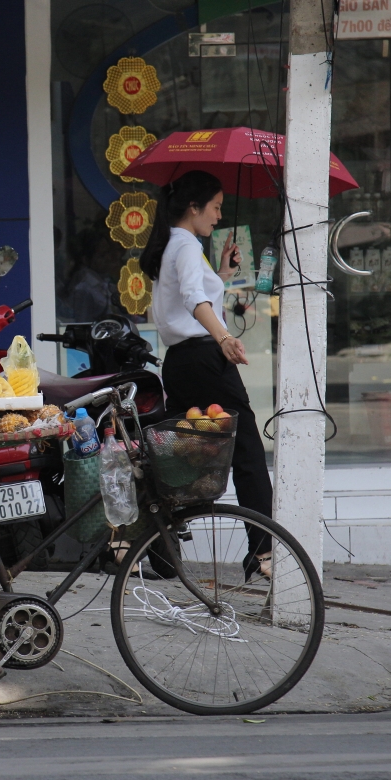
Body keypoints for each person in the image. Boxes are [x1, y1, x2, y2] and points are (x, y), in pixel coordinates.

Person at [139, 170, 273, 580]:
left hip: (180, 364)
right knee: (246, 450)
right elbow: (194, 299)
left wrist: (224, 273)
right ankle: (262, 552)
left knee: (184, 457)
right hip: (202, 359)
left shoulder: (177, 247)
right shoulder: (183, 244)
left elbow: (194, 296)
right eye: (214, 207)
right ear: (193, 207)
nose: (218, 216)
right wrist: (225, 338)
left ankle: (157, 540)